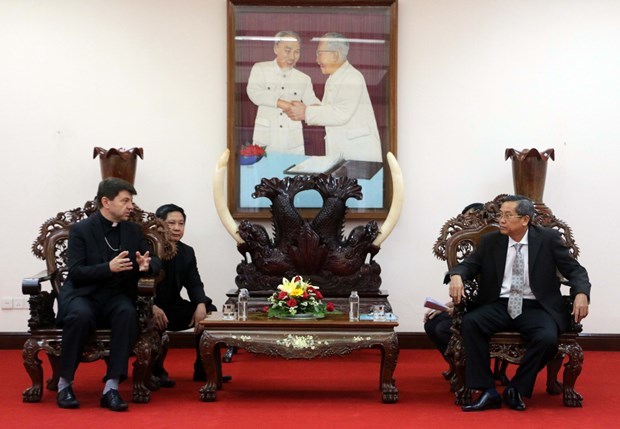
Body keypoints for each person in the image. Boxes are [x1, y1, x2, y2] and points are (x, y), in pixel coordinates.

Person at [447, 195, 591, 412]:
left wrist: (581, 293)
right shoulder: (491, 241)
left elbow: (575, 271)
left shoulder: (548, 239)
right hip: (499, 303)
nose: (501, 220)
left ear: (524, 219)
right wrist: (456, 275)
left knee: (547, 338)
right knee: (471, 322)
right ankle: (487, 390)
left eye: (507, 215)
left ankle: (517, 388)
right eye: (500, 215)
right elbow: (468, 265)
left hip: (535, 306)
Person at [56, 177, 161, 411]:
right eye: (125, 201)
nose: (131, 206)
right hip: (83, 294)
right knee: (80, 316)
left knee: (127, 313)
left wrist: (147, 265)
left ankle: (111, 387)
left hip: (115, 296)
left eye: (131, 201)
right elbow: (75, 272)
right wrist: (107, 268)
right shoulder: (81, 231)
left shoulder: (132, 230)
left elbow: (154, 260)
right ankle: (64, 384)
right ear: (106, 201)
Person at [151, 204, 228, 385]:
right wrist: (151, 306)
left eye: (181, 223)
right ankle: (155, 371)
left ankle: (203, 370)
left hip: (173, 307)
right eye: (171, 223)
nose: (177, 228)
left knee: (210, 311)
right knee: (146, 318)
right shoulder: (149, 248)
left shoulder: (187, 252)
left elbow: (194, 283)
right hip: (150, 306)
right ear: (159, 225)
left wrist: (200, 304)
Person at [286, 32, 382, 162]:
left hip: (358, 155)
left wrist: (306, 112)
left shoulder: (352, 77)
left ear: (335, 55)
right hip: (344, 154)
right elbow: (330, 110)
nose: (317, 60)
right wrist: (306, 108)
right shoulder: (335, 78)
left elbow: (341, 113)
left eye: (319, 54)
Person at [246, 30, 320, 154]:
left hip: (292, 142)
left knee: (292, 172)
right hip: (265, 140)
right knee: (263, 172)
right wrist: (285, 105)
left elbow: (312, 104)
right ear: (276, 48)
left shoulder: (304, 79)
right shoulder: (260, 69)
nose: (292, 56)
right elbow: (255, 93)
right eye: (288, 50)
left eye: (296, 52)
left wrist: (323, 110)